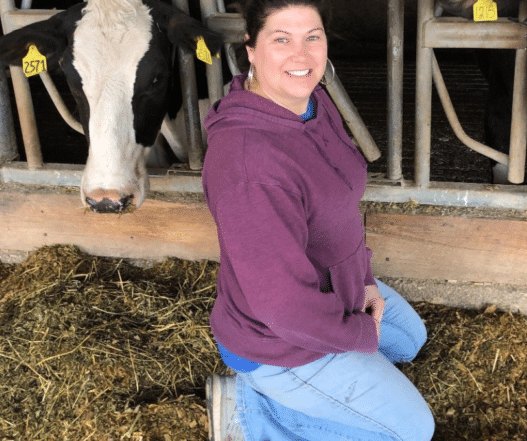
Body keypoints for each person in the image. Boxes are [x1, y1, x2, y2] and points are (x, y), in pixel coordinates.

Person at [201, 0, 435, 439]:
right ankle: (248, 414)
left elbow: (342, 206)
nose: (302, 56)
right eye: (281, 39)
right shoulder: (252, 167)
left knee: (408, 341)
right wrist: (358, 332)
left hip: (336, 286)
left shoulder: (311, 103)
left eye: (313, 37)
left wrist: (364, 279)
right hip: (279, 341)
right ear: (250, 49)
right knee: (412, 431)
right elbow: (284, 307)